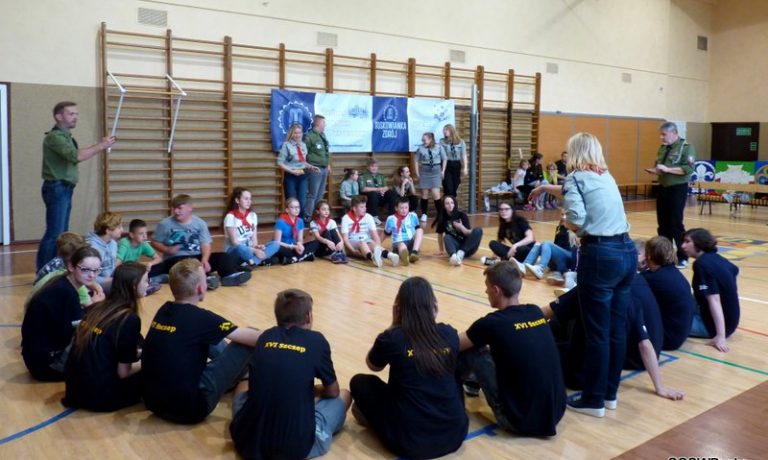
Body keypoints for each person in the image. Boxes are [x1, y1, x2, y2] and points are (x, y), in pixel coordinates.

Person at [531, 132, 636, 418]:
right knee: (616, 330)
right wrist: (546, 187)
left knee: (597, 332)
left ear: (574, 152)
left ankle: (593, 399)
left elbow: (576, 218)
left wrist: (570, 225)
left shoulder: (576, 178)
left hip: (601, 255)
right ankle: (609, 394)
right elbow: (575, 191)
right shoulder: (605, 175)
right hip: (627, 252)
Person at [350, 277, 468, 459]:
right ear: (433, 306)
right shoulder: (449, 334)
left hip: (410, 442)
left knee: (359, 382)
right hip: (455, 434)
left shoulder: (393, 338)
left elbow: (373, 365)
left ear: (399, 309)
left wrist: (393, 325)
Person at [230, 289, 351, 459]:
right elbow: (333, 391)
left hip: (247, 441)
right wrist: (313, 391)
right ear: (308, 317)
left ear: (278, 317)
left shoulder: (265, 336)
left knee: (244, 383)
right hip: (294, 448)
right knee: (345, 395)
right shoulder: (317, 341)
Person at [141, 258, 263, 424]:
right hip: (191, 409)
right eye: (206, 279)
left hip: (153, 403)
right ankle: (245, 377)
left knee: (209, 336)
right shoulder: (201, 318)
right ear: (200, 288)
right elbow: (256, 339)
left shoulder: (164, 309)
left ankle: (240, 375)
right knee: (248, 337)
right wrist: (287, 338)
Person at [544, 267, 684, 403]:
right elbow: (645, 344)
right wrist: (660, 387)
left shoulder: (585, 290)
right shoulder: (632, 300)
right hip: (607, 379)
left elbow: (546, 313)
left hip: (578, 377)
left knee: (551, 332)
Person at [458, 262, 566, 436]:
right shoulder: (535, 312)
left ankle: (446, 397)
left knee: (472, 351)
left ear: (496, 290)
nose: (485, 291)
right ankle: (472, 383)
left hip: (519, 422)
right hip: (556, 412)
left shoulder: (492, 323)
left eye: (487, 287)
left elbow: (453, 344)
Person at [36, 101, 116, 271]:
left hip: (64, 188)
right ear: (59, 117)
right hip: (57, 187)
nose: (75, 117)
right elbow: (76, 156)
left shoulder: (66, 137)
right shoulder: (55, 137)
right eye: (71, 114)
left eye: (76, 114)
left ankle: (55, 269)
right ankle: (43, 271)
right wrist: (101, 145)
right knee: (54, 234)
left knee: (61, 234)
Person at [63, 262, 148, 412]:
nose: (148, 284)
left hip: (75, 391)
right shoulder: (129, 319)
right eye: (146, 281)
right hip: (101, 397)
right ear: (134, 286)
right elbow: (123, 373)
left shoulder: (98, 307)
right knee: (156, 369)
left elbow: (106, 348)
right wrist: (149, 360)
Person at [22, 246, 101, 381]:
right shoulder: (66, 293)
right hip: (46, 365)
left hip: (36, 358)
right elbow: (79, 331)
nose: (92, 275)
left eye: (96, 270)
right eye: (85, 269)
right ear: (71, 267)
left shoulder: (63, 282)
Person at [150, 194, 251, 288]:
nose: (176, 211)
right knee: (185, 265)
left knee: (223, 257)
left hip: (196, 257)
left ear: (190, 208)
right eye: (174, 208)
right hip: (176, 260)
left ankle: (229, 276)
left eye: (179, 208)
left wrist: (205, 260)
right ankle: (204, 280)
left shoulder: (200, 223)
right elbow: (154, 241)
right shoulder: (165, 224)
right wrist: (167, 249)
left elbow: (205, 244)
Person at [645, 122, 695, 268]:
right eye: (661, 134)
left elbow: (688, 169)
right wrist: (655, 170)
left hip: (677, 188)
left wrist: (667, 169)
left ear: (673, 133)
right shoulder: (663, 148)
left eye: (664, 134)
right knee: (662, 224)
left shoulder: (686, 147)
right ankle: (664, 255)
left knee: (675, 223)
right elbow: (660, 166)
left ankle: (682, 256)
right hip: (663, 187)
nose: (661, 137)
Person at [682, 228, 740, 352]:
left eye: (687, 242)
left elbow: (714, 300)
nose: (682, 246)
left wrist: (720, 336)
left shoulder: (702, 265)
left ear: (699, 243)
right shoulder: (717, 258)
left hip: (710, 326)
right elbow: (735, 270)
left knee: (665, 319)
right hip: (730, 322)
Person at [641, 236, 695, 350]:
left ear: (648, 255)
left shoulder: (654, 278)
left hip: (668, 338)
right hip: (680, 334)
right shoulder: (672, 271)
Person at [32, 232, 102, 308]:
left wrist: (95, 286)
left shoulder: (57, 262)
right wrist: (96, 301)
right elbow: (89, 306)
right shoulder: (68, 278)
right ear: (71, 266)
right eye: (85, 269)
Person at [222, 187, 280, 269]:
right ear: (237, 200)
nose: (249, 201)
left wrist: (257, 247)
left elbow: (254, 239)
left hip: (250, 249)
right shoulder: (230, 217)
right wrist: (255, 251)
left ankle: (251, 262)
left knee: (275, 244)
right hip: (236, 251)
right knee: (242, 249)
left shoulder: (253, 215)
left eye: (250, 199)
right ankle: (260, 260)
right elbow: (235, 243)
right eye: (246, 199)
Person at [341, 195, 399, 268]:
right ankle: (372, 257)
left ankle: (390, 255)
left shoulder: (368, 217)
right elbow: (345, 239)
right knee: (362, 243)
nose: (365, 209)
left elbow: (375, 236)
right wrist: (353, 251)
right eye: (361, 207)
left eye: (365, 206)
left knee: (372, 243)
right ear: (354, 208)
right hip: (352, 242)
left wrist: (377, 247)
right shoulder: (346, 218)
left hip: (366, 241)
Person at [278, 123, 319, 219]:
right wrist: (292, 171)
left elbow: (303, 161)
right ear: (292, 134)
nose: (298, 135)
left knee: (302, 202)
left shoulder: (303, 145)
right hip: (290, 176)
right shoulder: (286, 145)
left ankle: (299, 222)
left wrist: (311, 166)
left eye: (299, 133)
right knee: (291, 202)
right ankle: (290, 222)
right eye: (295, 133)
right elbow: (280, 163)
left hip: (302, 175)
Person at [484, 201, 536, 273]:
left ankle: (503, 262)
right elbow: (499, 240)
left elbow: (530, 238)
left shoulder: (520, 220)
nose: (503, 211)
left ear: (512, 210)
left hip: (528, 250)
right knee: (493, 243)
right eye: (501, 209)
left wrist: (515, 245)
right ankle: (509, 262)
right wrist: (495, 255)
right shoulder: (503, 224)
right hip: (515, 252)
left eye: (506, 209)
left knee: (521, 248)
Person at [433, 195, 483, 266]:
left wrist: (461, 227)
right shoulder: (442, 218)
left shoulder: (462, 215)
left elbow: (467, 233)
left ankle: (461, 253)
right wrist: (441, 250)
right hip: (456, 247)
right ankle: (453, 257)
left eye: (452, 203)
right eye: (447, 203)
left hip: (468, 247)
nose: (450, 205)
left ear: (455, 204)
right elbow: (440, 234)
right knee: (447, 237)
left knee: (478, 230)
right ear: (444, 206)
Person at [274, 197, 321, 264]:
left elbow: (300, 239)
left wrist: (299, 244)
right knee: (277, 248)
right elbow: (276, 242)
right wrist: (293, 246)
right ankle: (304, 256)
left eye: (298, 207)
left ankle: (294, 259)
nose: (296, 209)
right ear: (287, 210)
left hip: (294, 247)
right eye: (293, 207)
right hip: (284, 247)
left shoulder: (300, 221)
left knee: (316, 243)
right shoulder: (280, 222)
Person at [85, 212, 123, 294]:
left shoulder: (113, 243)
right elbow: (86, 276)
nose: (122, 230)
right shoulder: (92, 247)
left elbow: (111, 268)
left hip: (108, 281)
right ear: (108, 230)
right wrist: (109, 280)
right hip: (93, 285)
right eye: (119, 227)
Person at [413, 132, 447, 223]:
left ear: (430, 139)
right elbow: (416, 160)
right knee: (424, 194)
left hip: (436, 172)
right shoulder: (420, 148)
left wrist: (443, 171)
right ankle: (424, 214)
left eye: (425, 140)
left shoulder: (439, 147)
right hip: (425, 172)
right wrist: (417, 173)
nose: (423, 141)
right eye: (422, 140)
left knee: (436, 194)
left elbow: (444, 158)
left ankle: (440, 214)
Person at [304, 114, 332, 221]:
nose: (325, 125)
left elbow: (325, 152)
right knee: (312, 194)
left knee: (320, 195)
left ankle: (317, 216)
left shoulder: (323, 135)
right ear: (318, 123)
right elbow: (304, 153)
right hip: (314, 169)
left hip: (324, 168)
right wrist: (309, 166)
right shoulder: (309, 137)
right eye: (324, 123)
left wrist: (328, 164)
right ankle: (308, 216)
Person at [383, 196, 423, 266]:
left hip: (410, 241)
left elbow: (417, 231)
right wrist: (377, 244)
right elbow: (386, 233)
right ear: (396, 208)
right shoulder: (391, 219)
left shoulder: (413, 216)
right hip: (398, 242)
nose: (404, 210)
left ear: (409, 207)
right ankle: (405, 258)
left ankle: (414, 252)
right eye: (401, 208)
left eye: (406, 207)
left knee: (420, 230)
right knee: (402, 245)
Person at [309, 199, 348, 263]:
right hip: (320, 248)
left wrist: (341, 242)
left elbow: (338, 234)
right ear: (318, 211)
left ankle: (338, 253)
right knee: (325, 232)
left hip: (332, 246)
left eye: (328, 209)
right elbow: (317, 237)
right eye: (324, 209)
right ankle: (333, 254)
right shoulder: (313, 223)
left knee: (333, 231)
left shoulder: (332, 221)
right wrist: (327, 241)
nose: (326, 211)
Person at [358, 158, 390, 225]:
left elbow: (386, 187)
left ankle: (392, 216)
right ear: (368, 167)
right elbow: (363, 189)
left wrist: (382, 190)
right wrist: (377, 189)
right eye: (372, 166)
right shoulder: (363, 176)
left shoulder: (380, 176)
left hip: (380, 196)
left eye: (376, 166)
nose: (374, 168)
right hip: (369, 198)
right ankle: (374, 217)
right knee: (373, 194)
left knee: (392, 193)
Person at [440, 124, 467, 198]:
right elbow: (443, 156)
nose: (444, 132)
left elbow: (464, 155)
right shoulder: (442, 142)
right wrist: (442, 170)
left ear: (451, 131)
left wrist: (465, 167)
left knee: (455, 186)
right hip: (447, 164)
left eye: (446, 130)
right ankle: (449, 203)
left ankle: (450, 203)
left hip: (456, 164)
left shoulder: (461, 142)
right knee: (449, 188)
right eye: (444, 130)